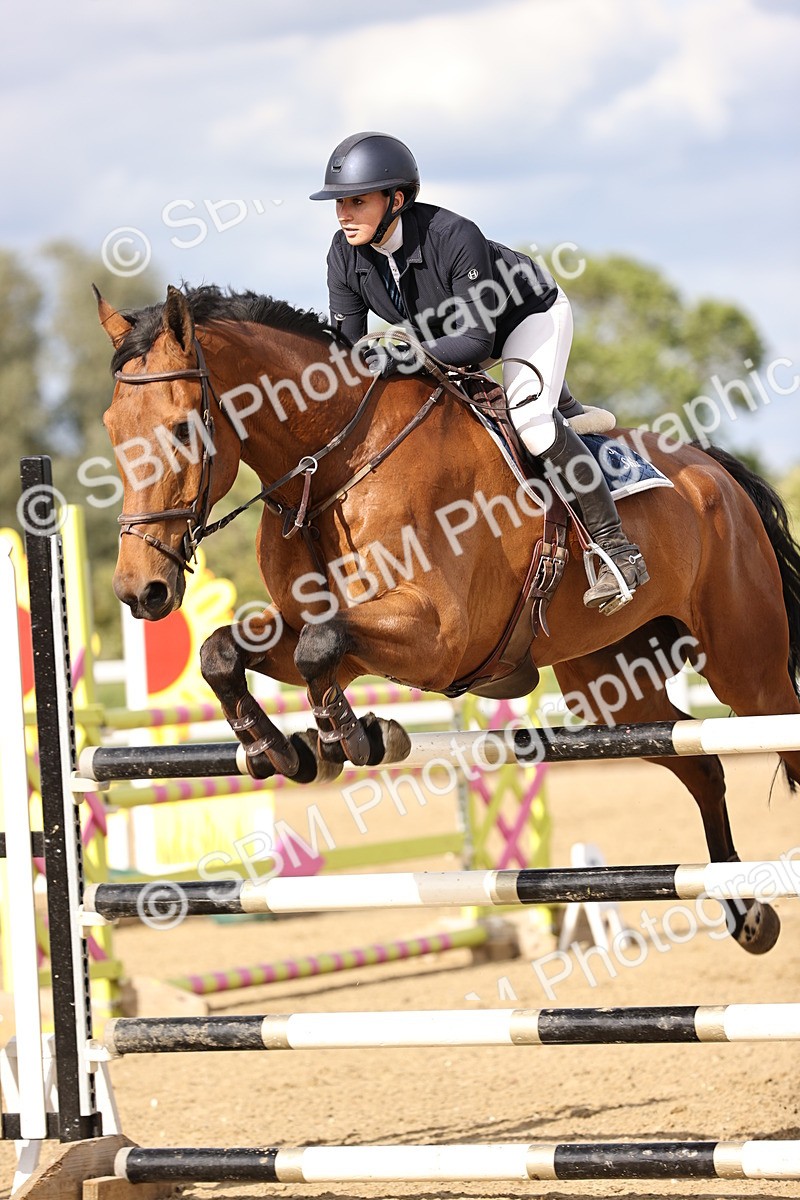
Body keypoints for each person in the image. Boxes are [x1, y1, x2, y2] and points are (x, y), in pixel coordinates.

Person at [310, 130, 648, 612]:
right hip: (448, 338)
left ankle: (619, 551)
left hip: (525, 319)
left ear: (396, 199)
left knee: (530, 423)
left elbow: (475, 342)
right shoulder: (344, 254)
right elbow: (347, 349)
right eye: (338, 203)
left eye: (356, 201)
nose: (343, 214)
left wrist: (397, 354)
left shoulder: (454, 236)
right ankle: (563, 402)